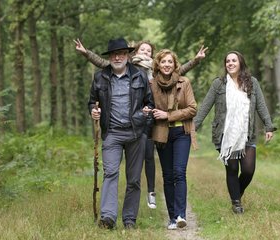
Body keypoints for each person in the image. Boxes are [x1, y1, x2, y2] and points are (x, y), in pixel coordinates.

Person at [76, 38, 207, 210]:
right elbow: (102, 65)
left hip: (148, 121)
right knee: (117, 169)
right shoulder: (118, 70)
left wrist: (196, 60)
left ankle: (149, 193)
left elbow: (177, 71)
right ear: (135, 52)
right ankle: (110, 213)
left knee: (147, 160)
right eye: (142, 50)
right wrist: (86, 53)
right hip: (123, 125)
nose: (145, 53)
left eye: (148, 51)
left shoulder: (154, 72)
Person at [194, 51, 276, 214]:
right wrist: (193, 126)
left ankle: (236, 192)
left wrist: (269, 126)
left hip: (247, 133)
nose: (230, 63)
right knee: (232, 169)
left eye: (234, 61)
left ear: (241, 63)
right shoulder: (219, 84)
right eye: (227, 61)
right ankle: (236, 203)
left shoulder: (252, 83)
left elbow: (260, 105)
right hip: (225, 134)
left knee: (248, 170)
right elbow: (205, 106)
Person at [88, 37, 154, 229]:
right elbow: (92, 101)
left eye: (122, 54)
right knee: (110, 173)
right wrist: (93, 110)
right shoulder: (100, 77)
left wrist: (145, 117)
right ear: (110, 57)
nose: (118, 57)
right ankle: (108, 218)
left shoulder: (140, 76)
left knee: (133, 179)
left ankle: (129, 219)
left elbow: (149, 103)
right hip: (112, 134)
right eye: (114, 54)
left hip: (135, 133)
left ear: (128, 56)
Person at [150, 49, 197, 230]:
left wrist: (168, 115)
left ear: (175, 64)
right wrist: (148, 111)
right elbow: (147, 105)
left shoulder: (184, 82)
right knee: (168, 176)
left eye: (170, 62)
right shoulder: (152, 84)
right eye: (163, 62)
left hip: (181, 132)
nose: (167, 65)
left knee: (179, 172)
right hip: (162, 134)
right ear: (158, 65)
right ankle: (171, 218)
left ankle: (180, 216)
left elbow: (193, 109)